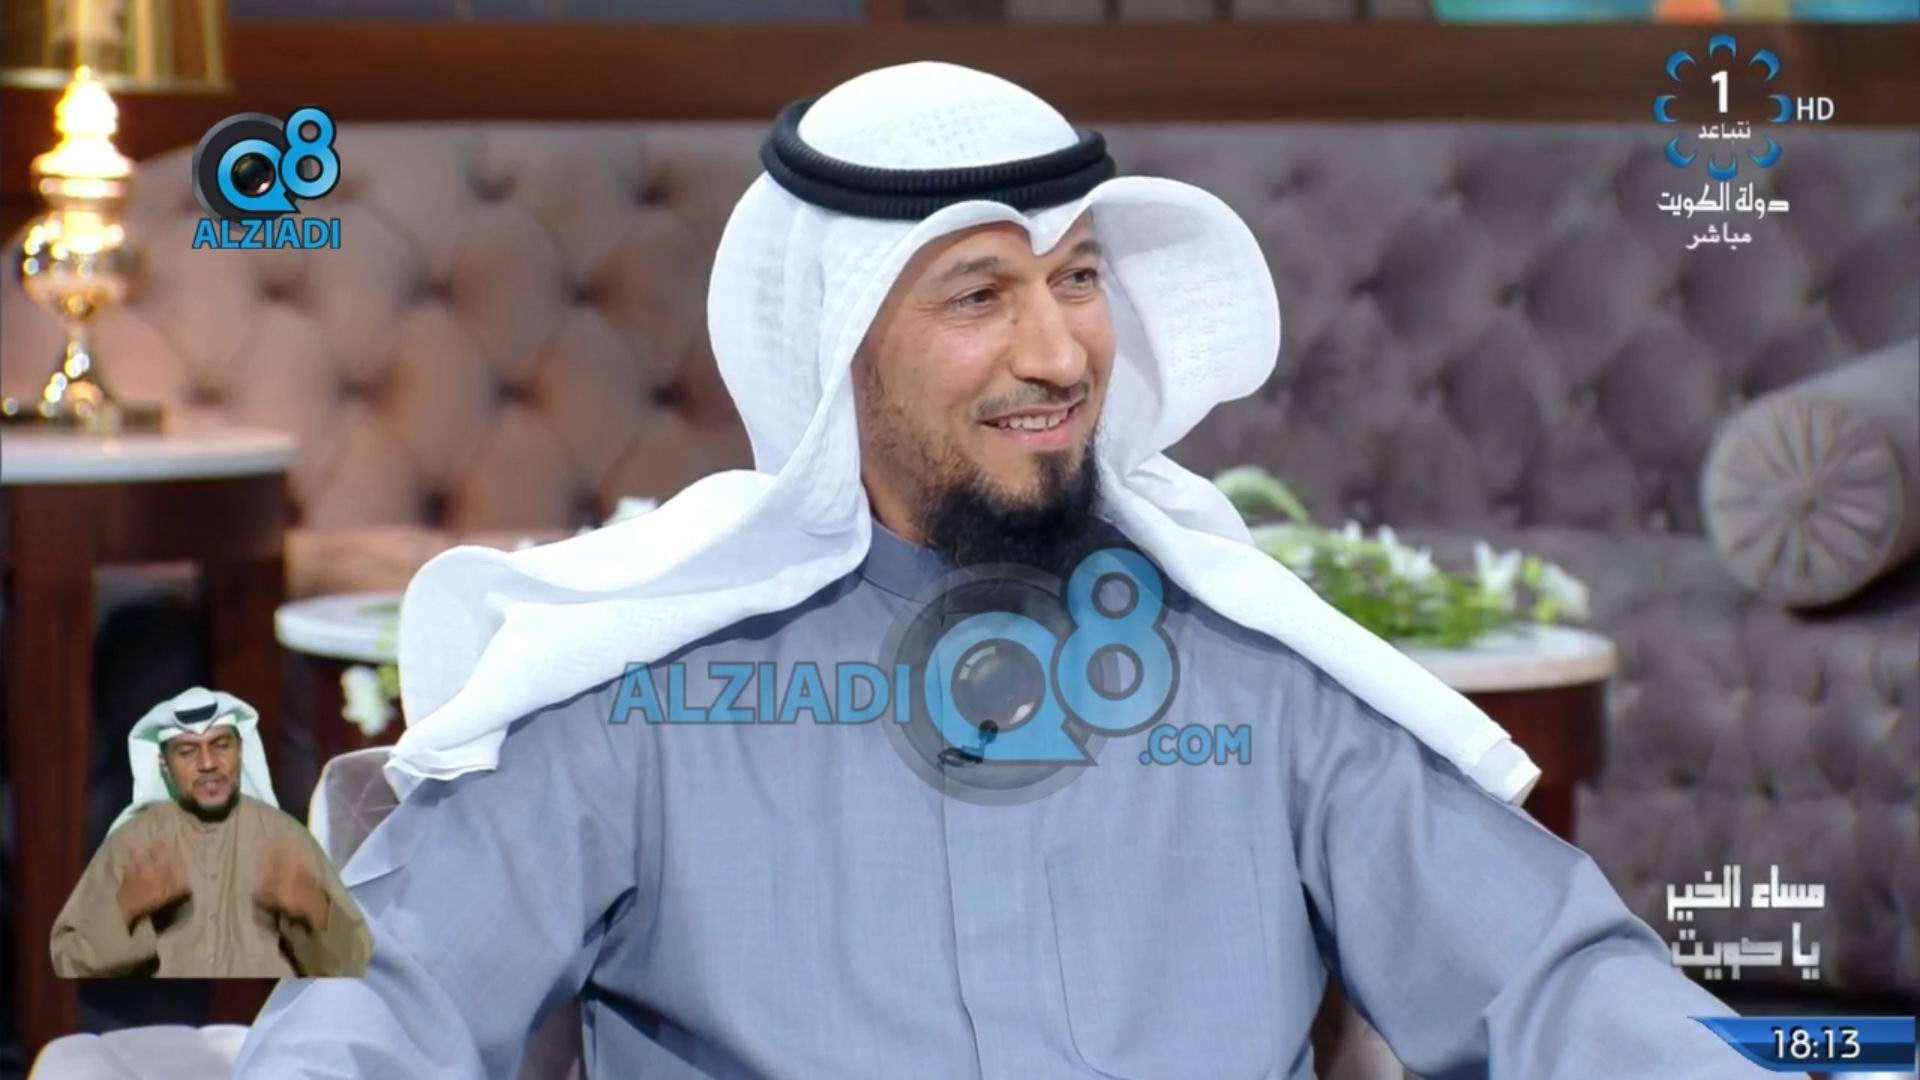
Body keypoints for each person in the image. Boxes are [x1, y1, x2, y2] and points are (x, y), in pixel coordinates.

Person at [235, 63, 1799, 1078]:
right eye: (980, 295)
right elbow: (381, 1003)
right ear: (840, 342)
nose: (1059, 352)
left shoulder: (1257, 676)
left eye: (1078, 278)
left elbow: (1554, 979)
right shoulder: (639, 691)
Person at [51, 687, 372, 979]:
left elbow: (357, 966)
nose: (208, 763)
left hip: (267, 1015)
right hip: (149, 1016)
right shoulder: (134, 842)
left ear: (240, 752)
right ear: (164, 765)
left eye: (220, 746)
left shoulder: (284, 838)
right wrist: (127, 906)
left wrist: (314, 908)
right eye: (187, 751)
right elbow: (69, 959)